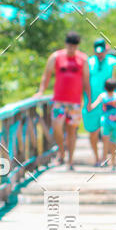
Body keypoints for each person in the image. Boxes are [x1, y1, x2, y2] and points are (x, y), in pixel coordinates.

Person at [35, 31, 91, 170]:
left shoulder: (83, 59)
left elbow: (86, 81)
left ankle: (70, 161)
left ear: (77, 46)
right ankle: (61, 152)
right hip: (59, 101)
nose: (72, 48)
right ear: (66, 44)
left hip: (75, 102)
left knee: (72, 131)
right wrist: (41, 91)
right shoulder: (56, 57)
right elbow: (46, 75)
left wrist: (89, 100)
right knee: (57, 127)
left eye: (74, 46)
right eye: (70, 45)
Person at [82, 38, 116, 165]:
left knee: (108, 133)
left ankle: (105, 158)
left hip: (109, 104)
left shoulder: (114, 62)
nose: (99, 54)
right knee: (93, 132)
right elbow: (84, 81)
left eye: (101, 52)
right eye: (97, 52)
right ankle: (96, 158)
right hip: (92, 101)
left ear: (105, 50)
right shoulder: (88, 62)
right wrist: (88, 100)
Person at [88, 79, 116, 169]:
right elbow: (94, 104)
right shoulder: (114, 95)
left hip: (113, 122)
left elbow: (93, 105)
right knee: (107, 140)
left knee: (112, 141)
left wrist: (89, 107)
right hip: (107, 122)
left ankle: (112, 161)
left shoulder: (115, 96)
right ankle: (106, 160)